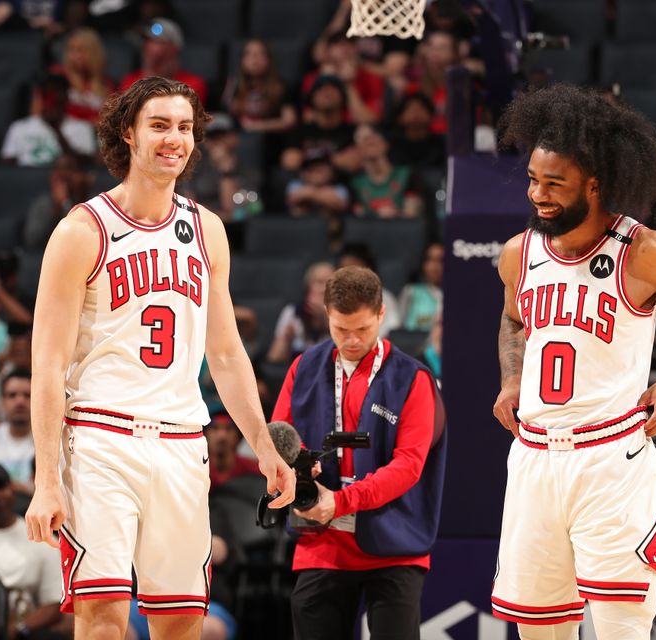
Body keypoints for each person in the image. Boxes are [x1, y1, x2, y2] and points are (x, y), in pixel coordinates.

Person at [24, 76, 295, 640]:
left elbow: (224, 352)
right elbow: (46, 365)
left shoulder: (206, 230)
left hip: (180, 441)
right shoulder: (82, 230)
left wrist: (264, 448)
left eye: (184, 127)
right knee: (103, 619)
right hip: (100, 439)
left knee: (181, 622)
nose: (174, 138)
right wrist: (46, 479)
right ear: (127, 132)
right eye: (159, 125)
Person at [490, 85, 656, 639]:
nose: (538, 194)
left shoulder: (646, 251)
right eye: (534, 180)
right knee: (538, 631)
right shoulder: (518, 252)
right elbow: (513, 319)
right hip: (534, 458)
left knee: (620, 630)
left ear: (595, 184)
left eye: (554, 183)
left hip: (610, 459)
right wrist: (513, 378)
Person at [271, 266, 447, 640]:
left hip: (395, 541)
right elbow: (280, 438)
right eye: (340, 329)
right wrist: (302, 466)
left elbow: (408, 466)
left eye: (363, 329)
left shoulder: (413, 379)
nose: (351, 340)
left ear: (382, 314)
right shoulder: (303, 368)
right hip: (322, 539)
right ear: (326, 314)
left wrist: (343, 500)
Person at [0, 463, 69, 640]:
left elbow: (53, 603)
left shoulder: (40, 537)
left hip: (23, 626)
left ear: (12, 489)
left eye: (1, 487)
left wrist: (20, 628)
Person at [0, 73, 97, 167]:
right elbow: (7, 165)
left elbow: (85, 164)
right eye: (46, 94)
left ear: (66, 97)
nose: (51, 100)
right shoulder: (19, 128)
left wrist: (56, 130)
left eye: (56, 93)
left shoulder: (82, 128)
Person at [119, 18, 208, 104]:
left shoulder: (193, 84)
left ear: (173, 48)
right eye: (146, 41)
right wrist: (149, 73)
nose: (147, 46)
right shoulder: (130, 82)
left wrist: (164, 76)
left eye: (156, 41)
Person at [266, 262, 334, 364]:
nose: (324, 289)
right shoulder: (292, 313)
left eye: (330, 283)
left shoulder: (342, 316)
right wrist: (287, 339)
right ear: (308, 287)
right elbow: (273, 358)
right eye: (319, 282)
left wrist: (326, 321)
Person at [0, 370, 33, 494]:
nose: (20, 401)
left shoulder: (53, 444)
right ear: (2, 401)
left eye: (27, 395)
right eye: (12, 395)